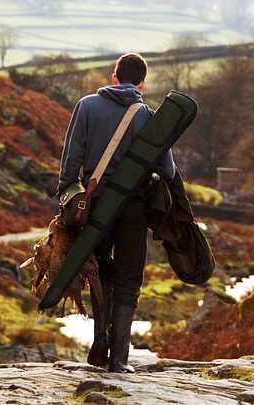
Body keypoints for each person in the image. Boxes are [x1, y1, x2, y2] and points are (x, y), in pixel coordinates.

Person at [57, 53, 175, 373]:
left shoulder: (86, 106)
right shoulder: (148, 117)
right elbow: (167, 168)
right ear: (141, 84)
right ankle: (120, 360)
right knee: (128, 278)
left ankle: (99, 344)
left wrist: (68, 198)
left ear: (113, 77)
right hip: (133, 208)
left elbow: (71, 161)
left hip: (95, 205)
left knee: (99, 272)